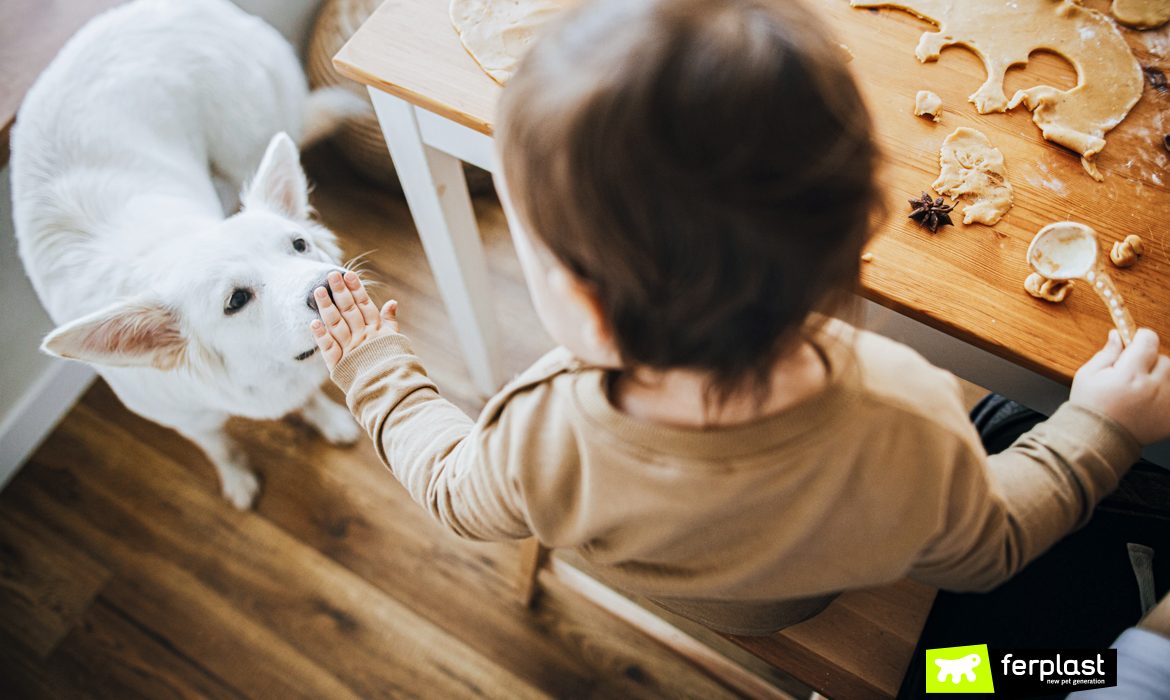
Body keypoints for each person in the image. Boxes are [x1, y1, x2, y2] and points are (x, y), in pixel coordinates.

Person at [308, 0, 1170, 636]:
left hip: (662, 588)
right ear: (853, 240)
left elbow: (455, 490)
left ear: (578, 294)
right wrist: (1100, 429)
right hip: (802, 605)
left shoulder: (541, 432)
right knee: (1022, 670)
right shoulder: (902, 412)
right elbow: (993, 544)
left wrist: (376, 367)